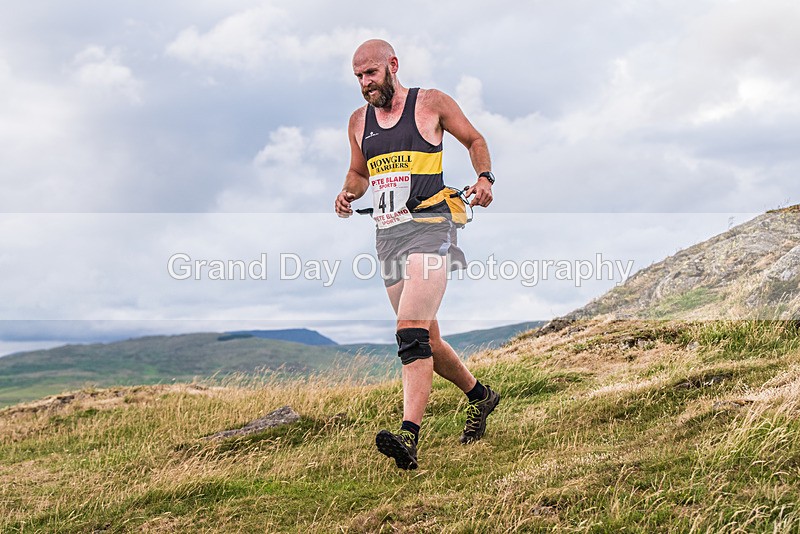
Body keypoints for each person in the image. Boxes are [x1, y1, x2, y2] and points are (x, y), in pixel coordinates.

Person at [334, 39, 500, 470]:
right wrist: (348, 194)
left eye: (370, 74)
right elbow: (358, 173)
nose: (365, 84)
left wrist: (484, 178)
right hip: (387, 237)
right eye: (358, 77)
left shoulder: (430, 104)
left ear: (392, 66)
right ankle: (481, 396)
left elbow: (475, 138)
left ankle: (408, 437)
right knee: (429, 339)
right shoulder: (357, 121)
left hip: (430, 228)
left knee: (409, 333)